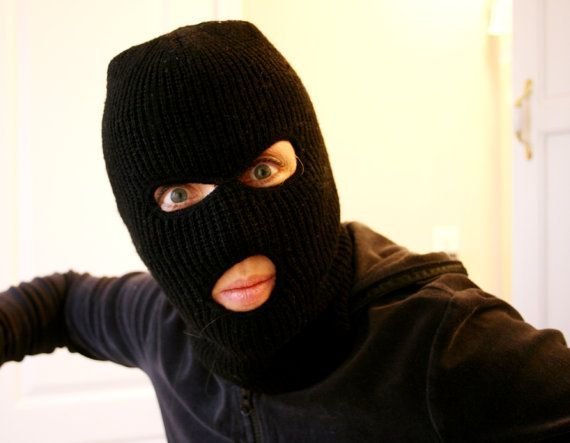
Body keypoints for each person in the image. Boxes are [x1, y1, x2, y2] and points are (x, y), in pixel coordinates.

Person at [1, 20, 570, 442]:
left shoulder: (439, 341)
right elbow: (64, 302)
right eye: (179, 195)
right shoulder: (164, 324)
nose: (231, 234)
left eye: (262, 170)